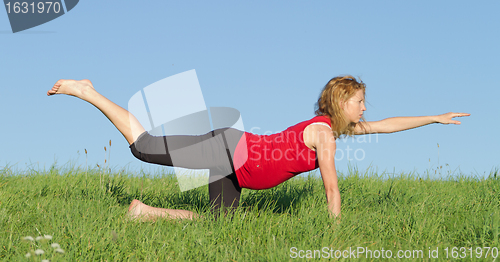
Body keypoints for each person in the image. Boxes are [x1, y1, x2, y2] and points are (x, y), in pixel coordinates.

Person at [47, 76, 470, 221]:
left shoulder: (333, 128)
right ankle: (87, 91)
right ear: (342, 102)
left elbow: (384, 126)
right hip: (228, 152)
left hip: (237, 170)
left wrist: (433, 118)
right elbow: (332, 190)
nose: (365, 108)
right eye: (359, 100)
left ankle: (142, 211)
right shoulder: (324, 134)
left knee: (220, 227)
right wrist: (336, 236)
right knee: (142, 147)